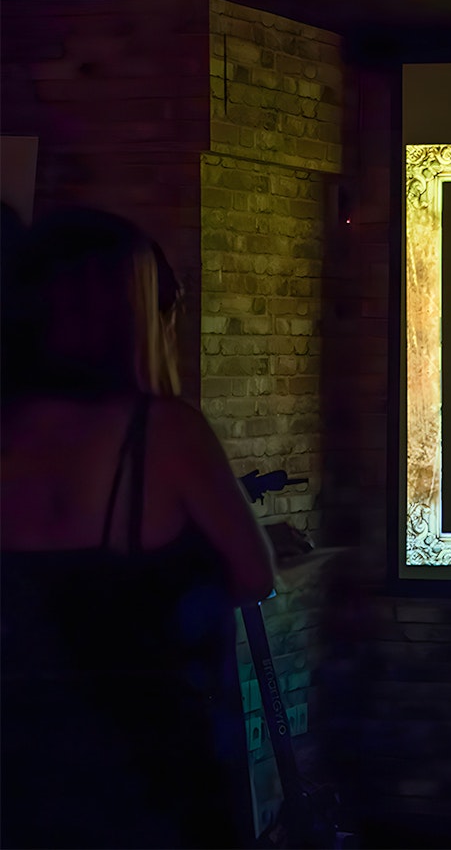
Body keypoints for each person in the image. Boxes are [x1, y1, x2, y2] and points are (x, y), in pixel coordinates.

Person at [1, 208, 276, 848]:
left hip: (22, 763)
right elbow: (254, 576)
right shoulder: (164, 432)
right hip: (145, 764)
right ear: (129, 312)